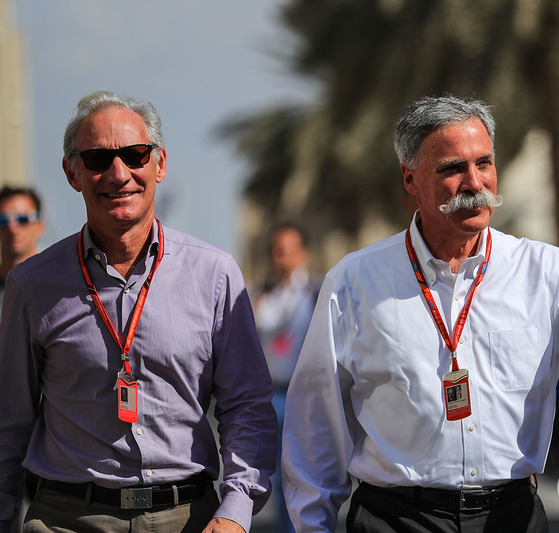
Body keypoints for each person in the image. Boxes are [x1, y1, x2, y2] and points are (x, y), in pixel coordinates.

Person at [281, 94, 559, 532]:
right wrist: (311, 525)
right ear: (410, 178)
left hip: (511, 516)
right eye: (453, 169)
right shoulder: (356, 283)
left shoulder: (548, 274)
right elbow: (316, 420)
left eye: (484, 163)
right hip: (396, 519)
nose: (475, 183)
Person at [0, 91, 277, 533]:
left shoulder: (215, 274)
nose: (118, 173)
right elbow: (9, 424)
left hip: (188, 518)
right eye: (97, 159)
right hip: (66, 519)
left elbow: (247, 405)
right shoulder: (32, 286)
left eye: (134, 155)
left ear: (159, 165)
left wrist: (236, 511)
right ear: (73, 173)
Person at [252, 223, 320, 533]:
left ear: (303, 252)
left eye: (290, 249)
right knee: (277, 476)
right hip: (273, 396)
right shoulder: (262, 294)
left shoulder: (316, 293)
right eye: (279, 250)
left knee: (310, 475)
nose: (284, 257)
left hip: (306, 396)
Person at [0, 186, 45, 323]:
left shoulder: (59, 286)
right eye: (3, 221)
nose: (12, 228)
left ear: (39, 226)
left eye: (23, 220)